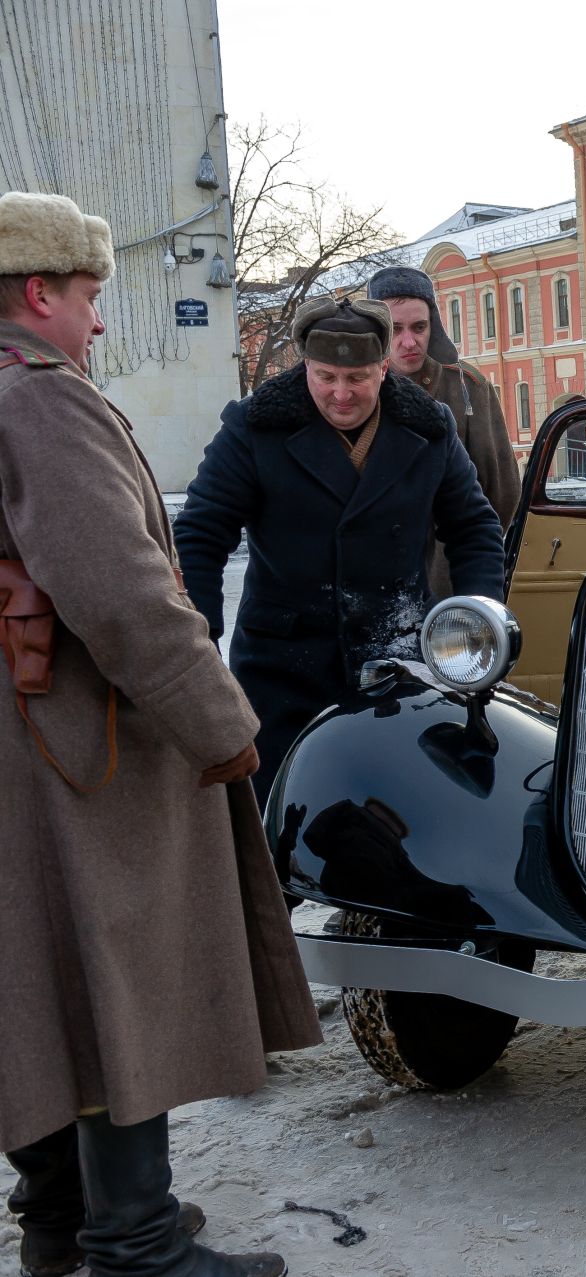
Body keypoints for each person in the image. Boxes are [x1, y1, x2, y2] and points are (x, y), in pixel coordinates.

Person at [0, 191, 319, 1277]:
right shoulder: (41, 400)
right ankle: (134, 1247)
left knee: (36, 986)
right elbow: (127, 594)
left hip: (23, 754)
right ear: (41, 292)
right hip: (80, 755)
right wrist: (222, 723)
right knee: (108, 978)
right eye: (90, 297)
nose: (97, 323)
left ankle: (60, 1229)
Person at [174, 296, 507, 806]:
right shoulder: (255, 427)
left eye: (357, 379)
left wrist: (474, 631)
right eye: (325, 376)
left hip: (397, 667)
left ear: (383, 367)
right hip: (281, 668)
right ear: (305, 365)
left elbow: (475, 528)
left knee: (394, 824)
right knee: (277, 829)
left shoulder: (428, 426)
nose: (341, 394)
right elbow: (201, 532)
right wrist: (198, 647)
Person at [364, 266, 521, 599]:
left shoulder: (469, 388)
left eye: (419, 327)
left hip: (450, 579)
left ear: (432, 325)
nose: (409, 341)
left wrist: (471, 565)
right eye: (395, 329)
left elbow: (502, 493)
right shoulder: (356, 390)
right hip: (375, 578)